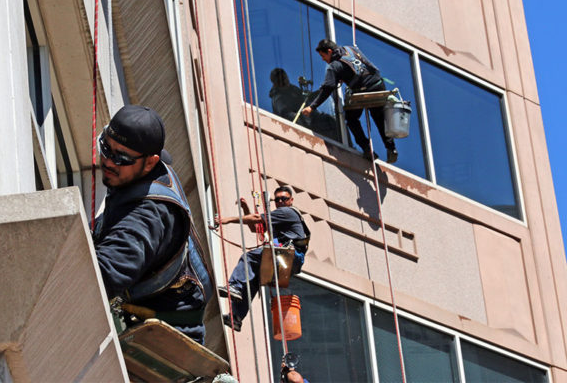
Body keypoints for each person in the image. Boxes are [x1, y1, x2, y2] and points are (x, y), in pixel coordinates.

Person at [92, 104, 212, 344]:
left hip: (167, 343)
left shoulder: (149, 216)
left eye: (122, 157)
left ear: (150, 162)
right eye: (106, 148)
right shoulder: (148, 171)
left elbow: (104, 274)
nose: (109, 161)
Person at [216, 186, 310, 331]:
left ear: (291, 201)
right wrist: (246, 209)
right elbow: (256, 228)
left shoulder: (287, 212)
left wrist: (226, 220)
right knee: (253, 279)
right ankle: (236, 317)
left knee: (248, 258)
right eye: (277, 199)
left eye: (284, 199)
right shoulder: (280, 220)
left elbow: (256, 218)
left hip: (288, 255)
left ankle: (234, 286)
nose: (280, 202)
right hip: (288, 260)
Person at [301, 38, 398, 163]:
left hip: (363, 91)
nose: (323, 59)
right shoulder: (350, 49)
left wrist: (312, 107)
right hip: (378, 85)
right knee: (379, 118)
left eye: (323, 55)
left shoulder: (334, 66)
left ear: (329, 51)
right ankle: (391, 148)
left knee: (352, 119)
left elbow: (328, 88)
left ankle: (367, 149)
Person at [269, 68, 339, 140]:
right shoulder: (278, 97)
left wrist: (321, 92)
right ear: (276, 83)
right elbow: (286, 114)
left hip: (310, 120)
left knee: (331, 121)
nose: (285, 81)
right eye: (281, 80)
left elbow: (306, 99)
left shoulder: (293, 89)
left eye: (285, 78)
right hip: (300, 127)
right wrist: (303, 123)